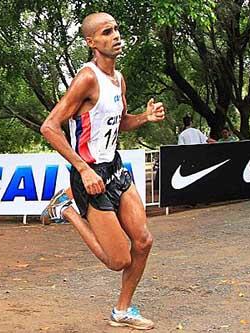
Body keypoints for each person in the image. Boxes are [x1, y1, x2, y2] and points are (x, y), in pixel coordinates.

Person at [39, 12, 165, 330]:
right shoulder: (87, 78)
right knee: (118, 260)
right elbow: (50, 127)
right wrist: (82, 169)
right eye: (107, 32)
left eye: (117, 29)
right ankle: (67, 210)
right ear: (91, 42)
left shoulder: (118, 79)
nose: (116, 35)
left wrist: (144, 118)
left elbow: (121, 123)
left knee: (144, 241)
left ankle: (122, 311)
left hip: (115, 168)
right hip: (90, 175)